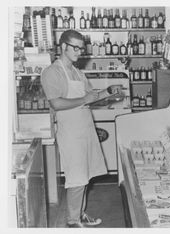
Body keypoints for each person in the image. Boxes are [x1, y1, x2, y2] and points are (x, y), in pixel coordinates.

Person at [41, 30, 121, 228]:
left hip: (85, 129)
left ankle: (80, 214)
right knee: (76, 178)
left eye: (81, 48)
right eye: (75, 47)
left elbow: (90, 96)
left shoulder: (77, 72)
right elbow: (56, 103)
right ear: (63, 47)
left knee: (84, 177)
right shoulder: (52, 72)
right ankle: (72, 221)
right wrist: (85, 99)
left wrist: (108, 91)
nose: (79, 52)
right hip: (70, 132)